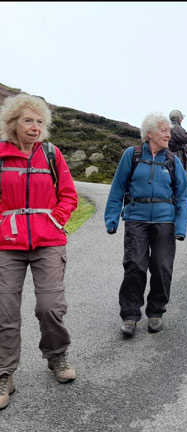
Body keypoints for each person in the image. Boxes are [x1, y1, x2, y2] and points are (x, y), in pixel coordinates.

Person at [0, 94, 78, 409]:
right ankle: (4, 373)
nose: (35, 128)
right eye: (28, 120)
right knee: (4, 310)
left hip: (48, 241)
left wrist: (54, 219)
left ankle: (56, 356)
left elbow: (68, 195)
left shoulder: (51, 154)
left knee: (50, 305)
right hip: (7, 244)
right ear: (13, 123)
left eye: (39, 122)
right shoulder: (1, 157)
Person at [105, 112, 187, 338]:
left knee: (162, 267)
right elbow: (117, 189)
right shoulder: (131, 155)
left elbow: (182, 196)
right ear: (149, 133)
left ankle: (156, 311)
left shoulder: (173, 160)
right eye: (164, 130)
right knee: (135, 266)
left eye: (169, 131)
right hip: (136, 219)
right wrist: (111, 219)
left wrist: (180, 227)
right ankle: (130, 315)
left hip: (165, 221)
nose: (169, 134)